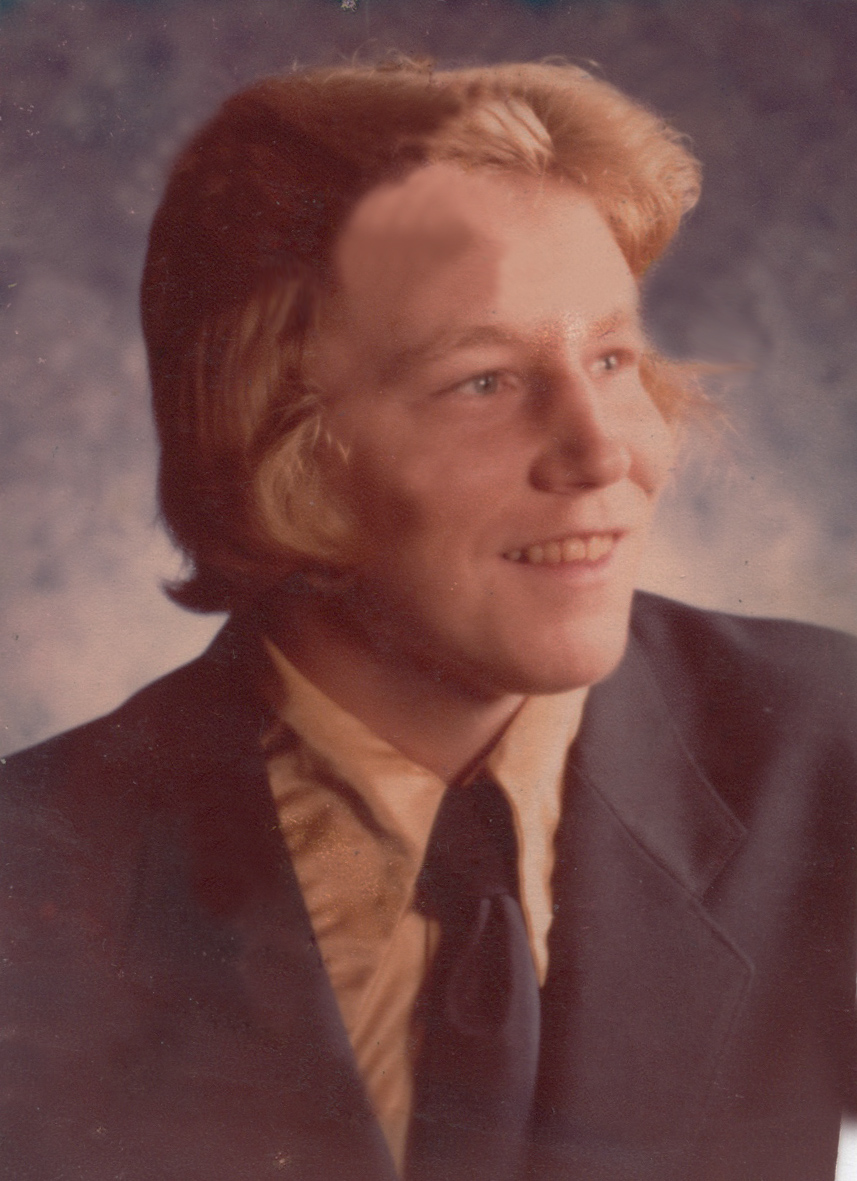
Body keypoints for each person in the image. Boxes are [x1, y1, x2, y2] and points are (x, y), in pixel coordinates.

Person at [2, 60, 856, 1181]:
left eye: (609, 357)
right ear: (273, 437)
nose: (603, 450)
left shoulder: (828, 751)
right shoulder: (30, 873)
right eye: (483, 381)